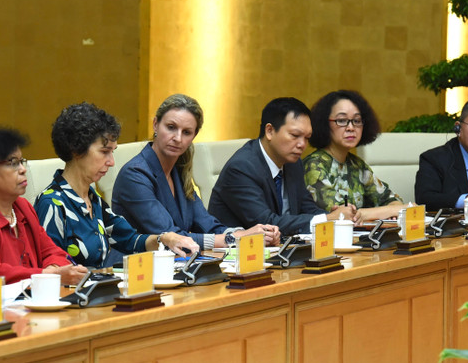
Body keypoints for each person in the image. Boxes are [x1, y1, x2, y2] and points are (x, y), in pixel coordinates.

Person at [34, 103, 200, 268]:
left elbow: (130, 240)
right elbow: (52, 268)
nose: (112, 162)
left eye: (112, 152)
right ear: (76, 150)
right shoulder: (52, 204)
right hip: (74, 293)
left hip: (100, 290)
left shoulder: (93, 199)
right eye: (105, 152)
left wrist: (163, 239)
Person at [112, 94, 281, 250]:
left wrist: (253, 234)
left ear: (194, 136)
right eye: (171, 127)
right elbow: (173, 237)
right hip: (136, 270)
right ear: (156, 124)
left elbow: (209, 225)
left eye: (186, 132)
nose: (178, 138)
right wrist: (235, 239)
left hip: (179, 266)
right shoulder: (134, 174)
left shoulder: (179, 171)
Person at [0, 127, 88, 288]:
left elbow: (54, 252)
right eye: (13, 163)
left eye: (22, 162)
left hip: (28, 305)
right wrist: (48, 276)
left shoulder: (22, 208)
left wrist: (52, 273)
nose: (23, 169)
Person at [209, 97, 353, 236]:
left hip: (282, 250)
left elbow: (307, 208)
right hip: (238, 254)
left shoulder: (293, 163)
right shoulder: (241, 168)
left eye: (307, 138)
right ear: (270, 131)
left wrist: (338, 217)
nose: (302, 144)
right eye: (295, 135)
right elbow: (267, 223)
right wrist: (328, 219)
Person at [304, 90, 404, 224]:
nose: (351, 127)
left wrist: (389, 210)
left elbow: (394, 201)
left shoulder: (357, 165)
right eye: (341, 120)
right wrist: (384, 212)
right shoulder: (315, 165)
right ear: (324, 124)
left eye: (356, 120)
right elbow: (342, 216)